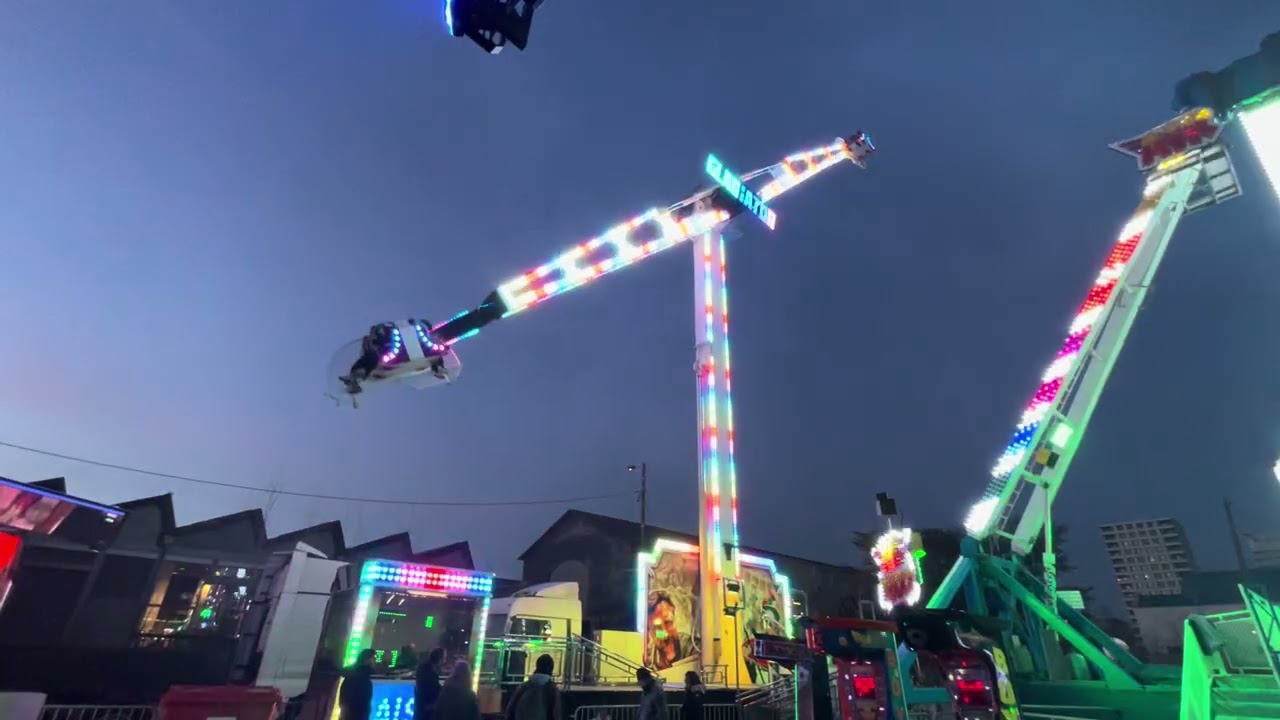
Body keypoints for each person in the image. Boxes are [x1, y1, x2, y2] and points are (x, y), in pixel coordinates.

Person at [506, 654, 560, 720]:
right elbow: (556, 714)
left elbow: (511, 709)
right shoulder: (552, 689)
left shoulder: (524, 686)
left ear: (537, 666)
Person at [338, 649, 375, 720]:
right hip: (356, 713)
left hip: (349, 713)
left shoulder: (352, 674)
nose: (374, 661)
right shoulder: (362, 676)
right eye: (373, 658)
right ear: (367, 659)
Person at [416, 647, 447, 720]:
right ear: (440, 659)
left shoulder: (426, 669)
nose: (445, 661)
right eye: (444, 658)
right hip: (426, 710)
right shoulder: (429, 672)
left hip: (423, 709)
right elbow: (432, 688)